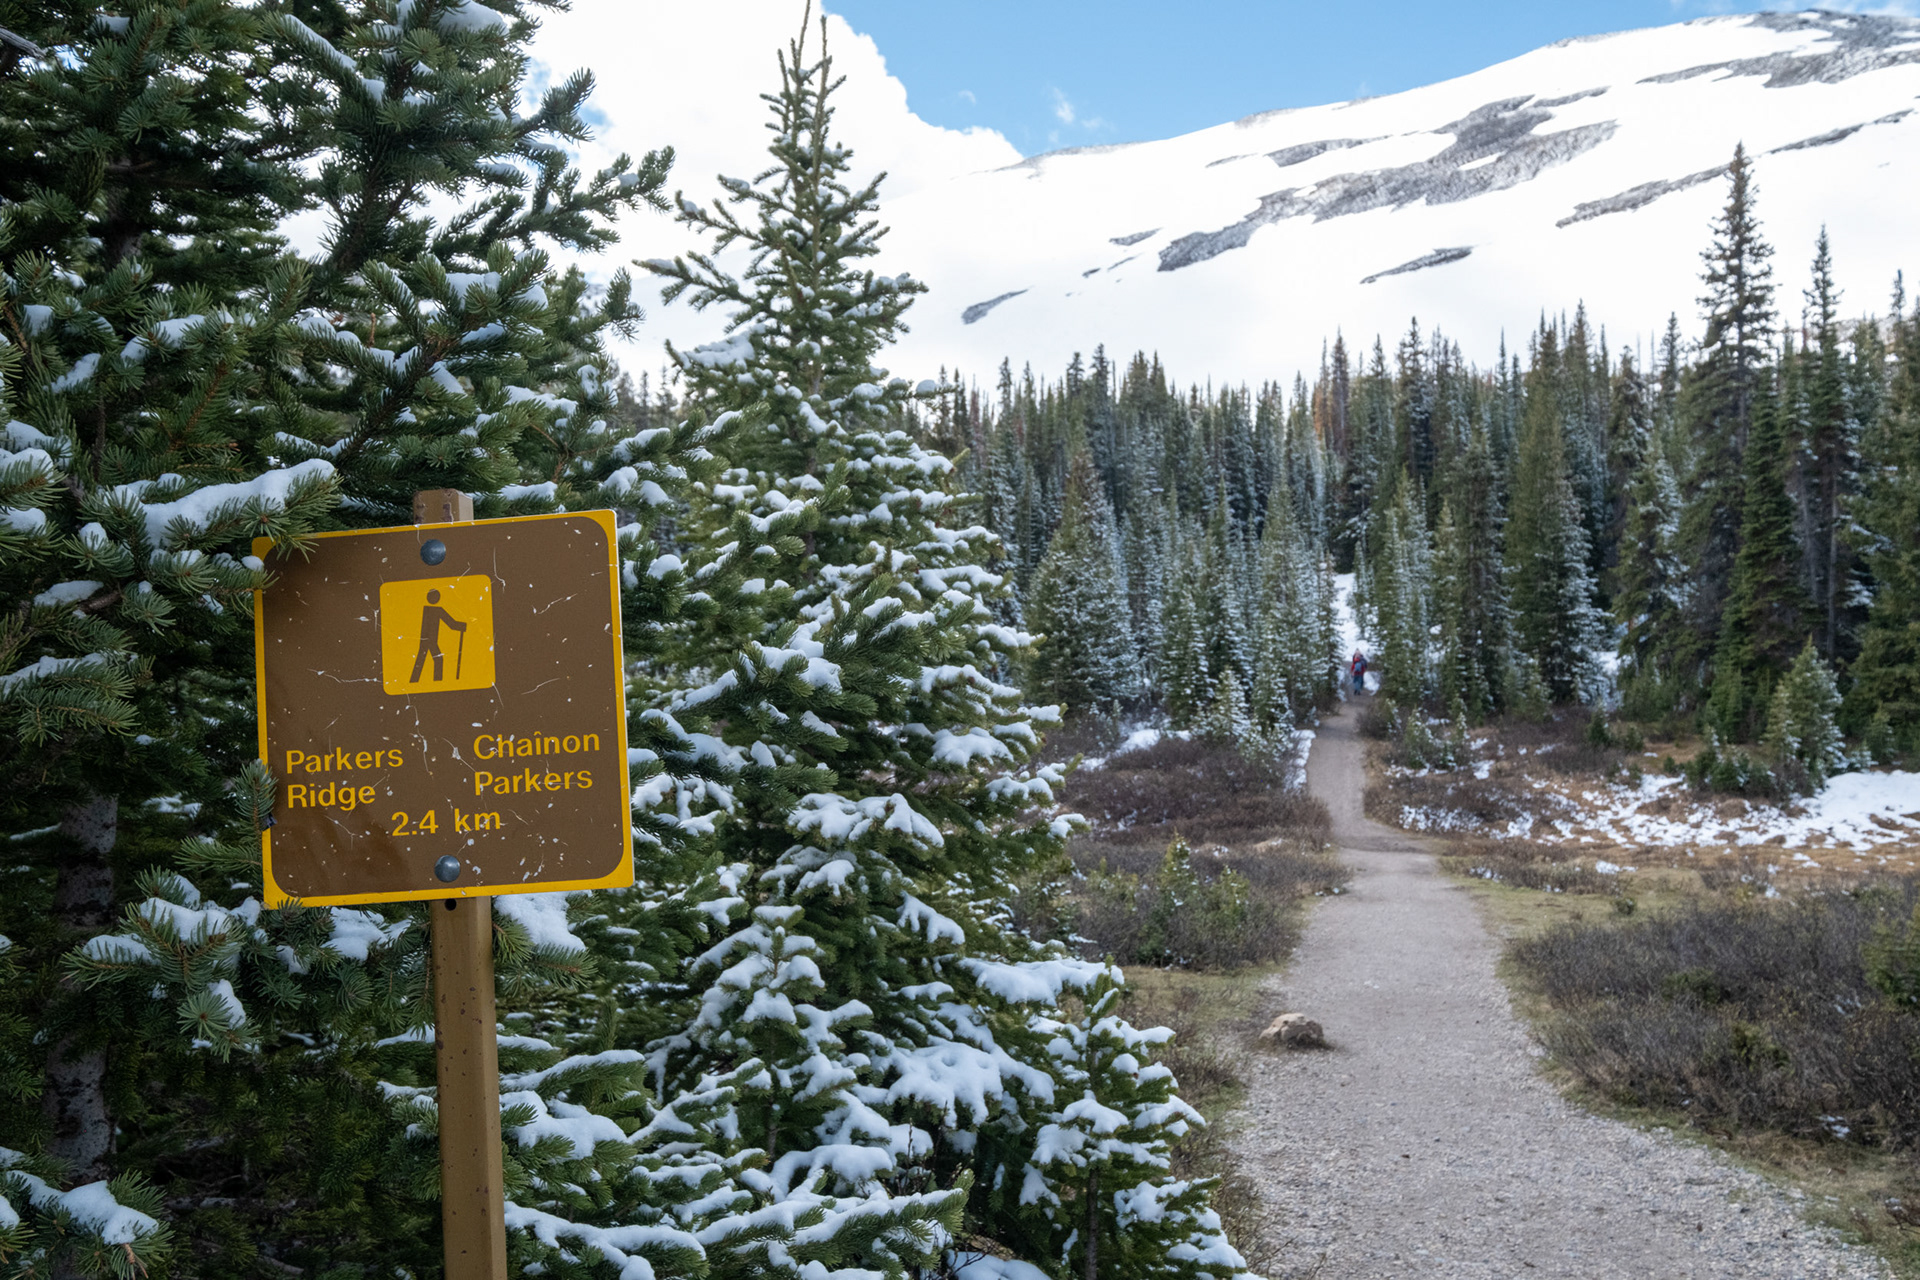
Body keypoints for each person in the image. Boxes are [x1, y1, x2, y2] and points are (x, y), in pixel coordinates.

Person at [409, 589, 468, 683]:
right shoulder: (436, 610)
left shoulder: (427, 609)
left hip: (426, 641)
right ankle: (436, 682)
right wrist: (462, 626)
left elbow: (450, 623)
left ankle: (414, 681)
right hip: (430, 641)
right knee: (437, 660)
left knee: (422, 661)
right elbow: (451, 623)